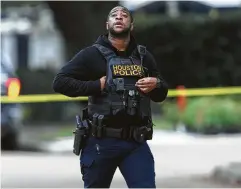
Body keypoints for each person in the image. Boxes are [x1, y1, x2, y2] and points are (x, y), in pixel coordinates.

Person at [53, 5, 168, 188]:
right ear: (108, 25)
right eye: (115, 16)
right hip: (100, 141)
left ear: (132, 25)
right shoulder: (91, 55)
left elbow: (161, 94)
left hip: (135, 142)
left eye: (125, 15)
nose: (119, 17)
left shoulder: (144, 57)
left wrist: (157, 84)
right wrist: (96, 85)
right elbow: (60, 82)